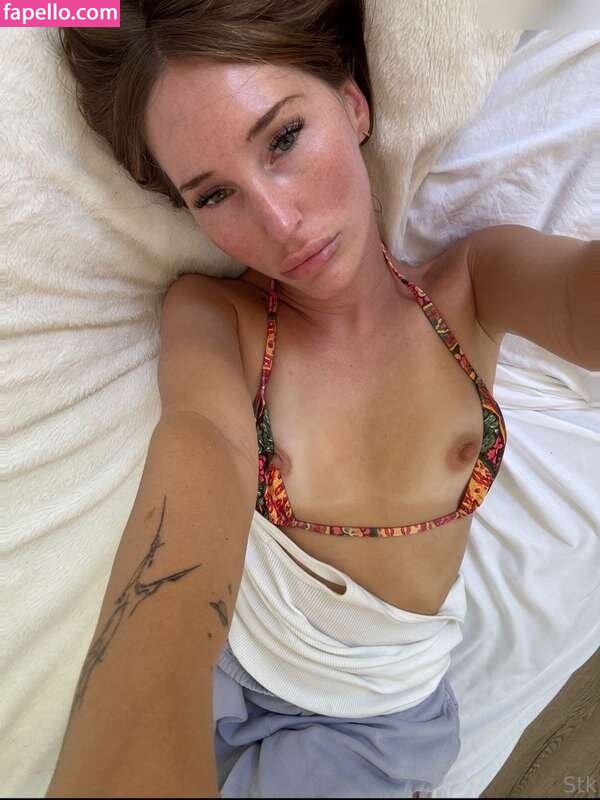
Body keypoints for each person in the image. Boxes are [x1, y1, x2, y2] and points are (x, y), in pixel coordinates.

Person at [48, 1, 597, 797]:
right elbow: (198, 458)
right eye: (214, 195)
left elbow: (580, 300)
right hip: (226, 664)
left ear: (352, 101)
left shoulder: (473, 285)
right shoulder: (215, 318)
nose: (279, 221)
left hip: (367, 724)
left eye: (283, 138)